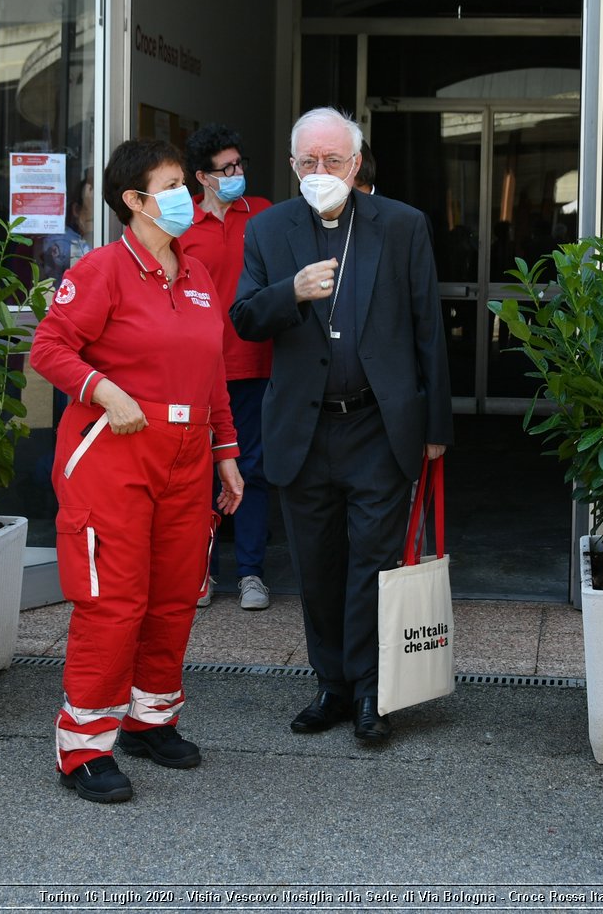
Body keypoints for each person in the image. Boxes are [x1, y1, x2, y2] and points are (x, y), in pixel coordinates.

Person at [29, 138, 244, 804]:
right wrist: (104, 389)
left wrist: (226, 453)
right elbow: (48, 347)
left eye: (186, 182)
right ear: (135, 200)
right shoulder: (101, 272)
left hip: (188, 455)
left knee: (176, 592)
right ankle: (84, 745)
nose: (188, 194)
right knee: (115, 600)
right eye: (175, 183)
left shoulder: (197, 276)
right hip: (115, 452)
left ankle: (151, 718)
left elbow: (213, 372)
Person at [230, 107, 452, 744]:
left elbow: (427, 330)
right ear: (293, 165)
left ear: (355, 165)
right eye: (308, 162)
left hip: (379, 426)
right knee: (317, 565)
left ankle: (370, 691)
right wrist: (290, 293)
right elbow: (244, 316)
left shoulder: (402, 226)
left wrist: (435, 424)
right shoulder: (271, 231)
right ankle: (329, 684)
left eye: (332, 161)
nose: (319, 172)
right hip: (304, 429)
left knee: (373, 566)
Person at [177, 124, 274, 611]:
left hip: (256, 364)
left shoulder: (263, 213)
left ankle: (252, 573)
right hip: (200, 372)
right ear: (203, 177)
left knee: (252, 470)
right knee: (202, 474)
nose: (238, 173)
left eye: (240, 164)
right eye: (227, 168)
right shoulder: (183, 227)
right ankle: (202, 572)